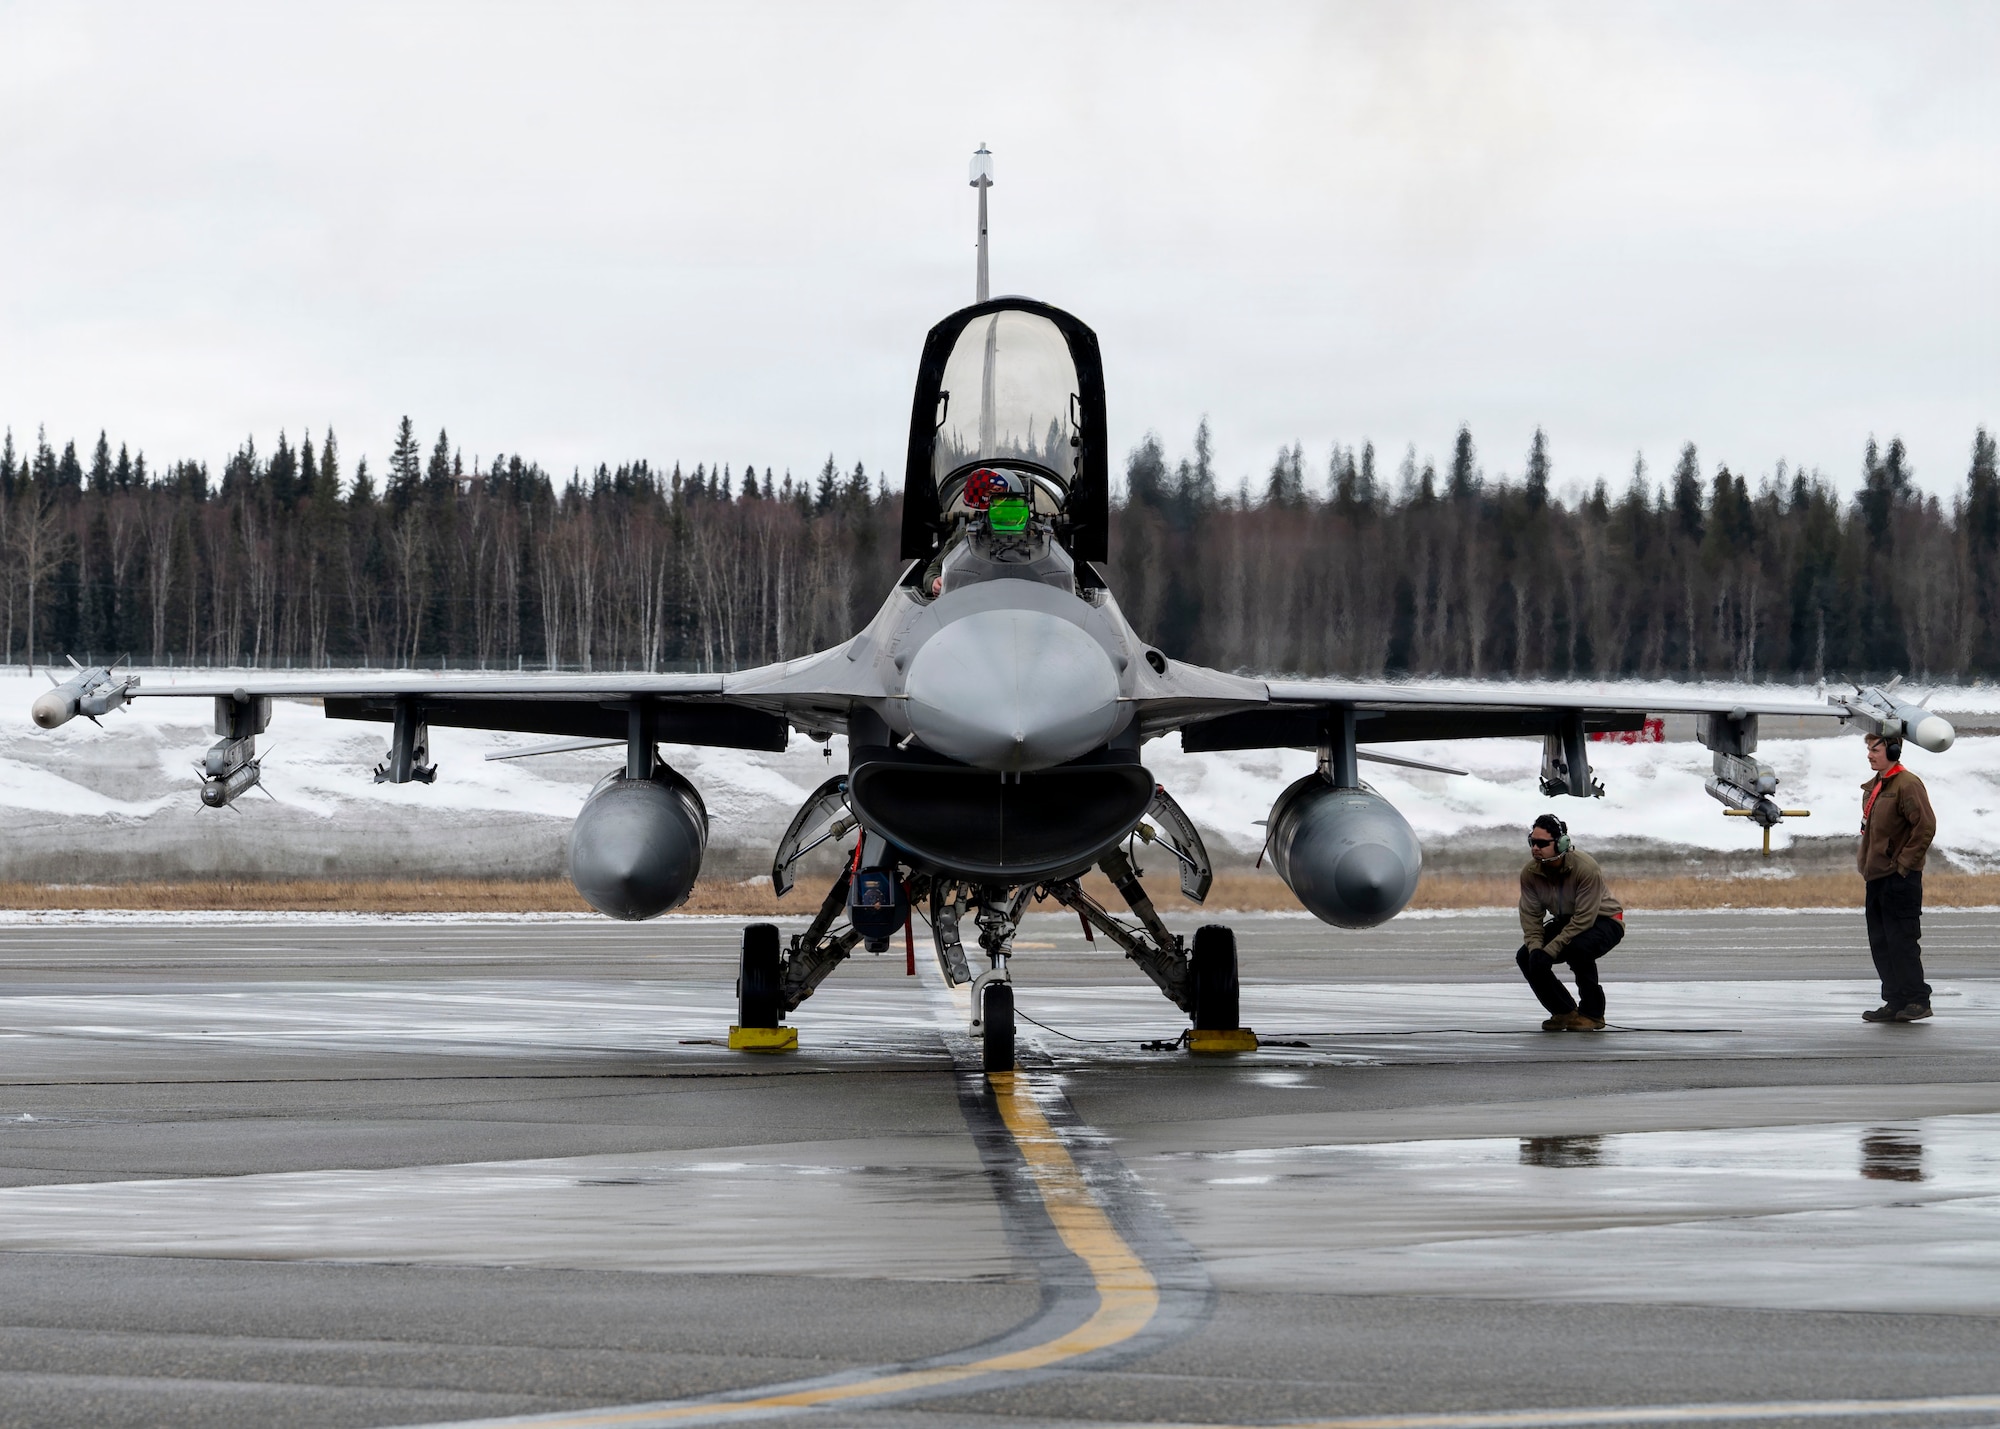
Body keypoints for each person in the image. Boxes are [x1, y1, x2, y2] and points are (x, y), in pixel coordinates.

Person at [1514, 814, 1625, 1031]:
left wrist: (1550, 950)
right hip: (1569, 921)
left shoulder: (1585, 868)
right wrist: (1537, 949)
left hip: (1604, 920)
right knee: (1526, 957)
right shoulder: (1530, 873)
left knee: (1578, 949)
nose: (1535, 848)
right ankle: (1564, 1011)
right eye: (1532, 842)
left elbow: (1584, 919)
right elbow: (1530, 917)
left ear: (1561, 843)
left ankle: (1593, 1014)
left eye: (1542, 843)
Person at [1858, 731, 1937, 1023]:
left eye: (1875, 749)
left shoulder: (1908, 784)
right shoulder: (1877, 786)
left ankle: (1917, 999)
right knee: (1881, 942)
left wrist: (1904, 863)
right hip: (1876, 877)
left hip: (1899, 878)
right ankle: (1895, 1000)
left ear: (1892, 750)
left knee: (1902, 940)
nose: (1869, 755)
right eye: (1868, 749)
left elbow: (1925, 827)